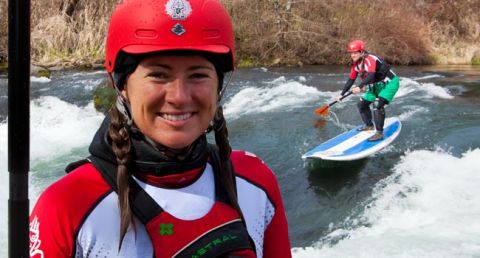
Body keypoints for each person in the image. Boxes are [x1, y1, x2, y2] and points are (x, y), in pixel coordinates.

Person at [29, 0, 292, 257]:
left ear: (219, 87)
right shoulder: (67, 204)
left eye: (198, 74)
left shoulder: (254, 180)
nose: (179, 97)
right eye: (158, 75)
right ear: (121, 86)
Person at [336, 39, 400, 141]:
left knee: (377, 104)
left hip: (390, 83)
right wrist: (342, 94)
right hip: (375, 85)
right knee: (362, 104)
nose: (353, 55)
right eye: (351, 53)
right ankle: (369, 125)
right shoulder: (355, 64)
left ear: (361, 52)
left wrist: (360, 86)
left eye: (355, 53)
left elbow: (371, 75)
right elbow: (351, 79)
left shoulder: (370, 58)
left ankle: (379, 133)